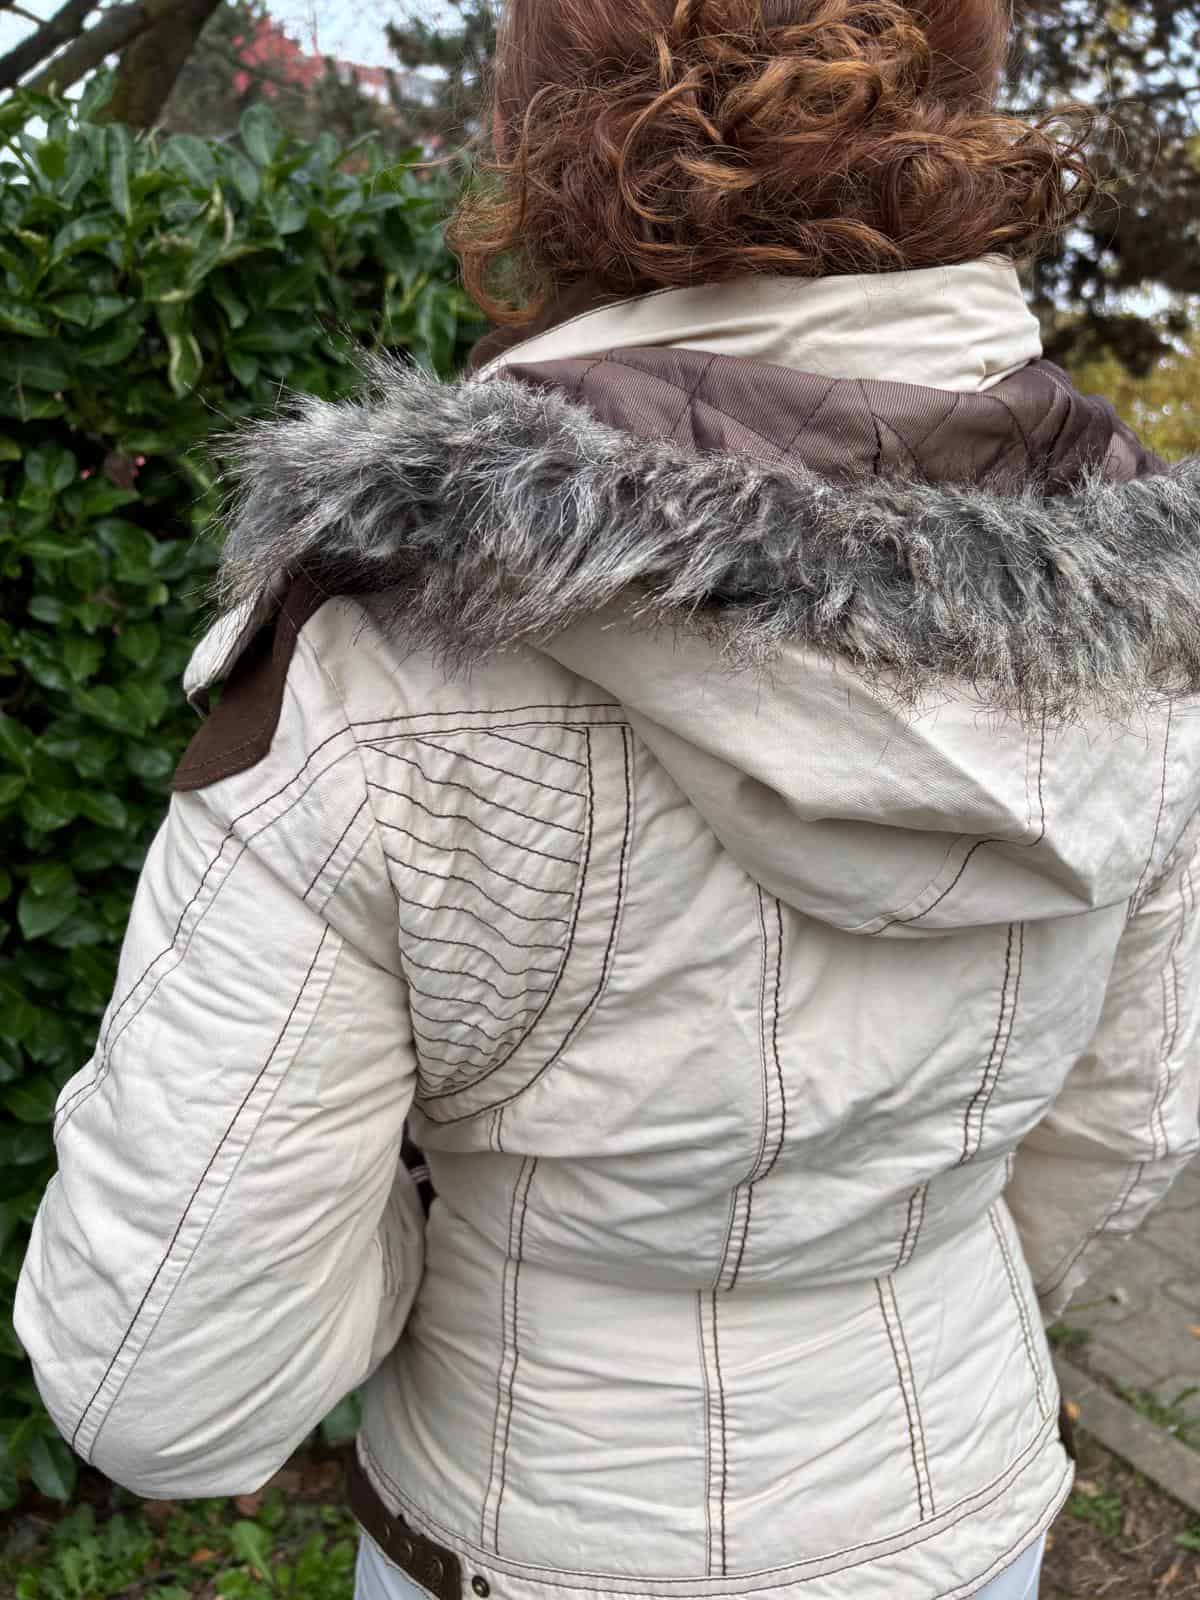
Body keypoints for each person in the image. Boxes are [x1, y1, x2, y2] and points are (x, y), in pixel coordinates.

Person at [16, 3, 1200, 1598]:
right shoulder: (1149, 626)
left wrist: (454, 1249)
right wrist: (899, 1280)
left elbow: (164, 1377)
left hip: (532, 1532)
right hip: (960, 1506)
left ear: (533, 130)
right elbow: (1126, 1132)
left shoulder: (384, 659)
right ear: (962, 100)